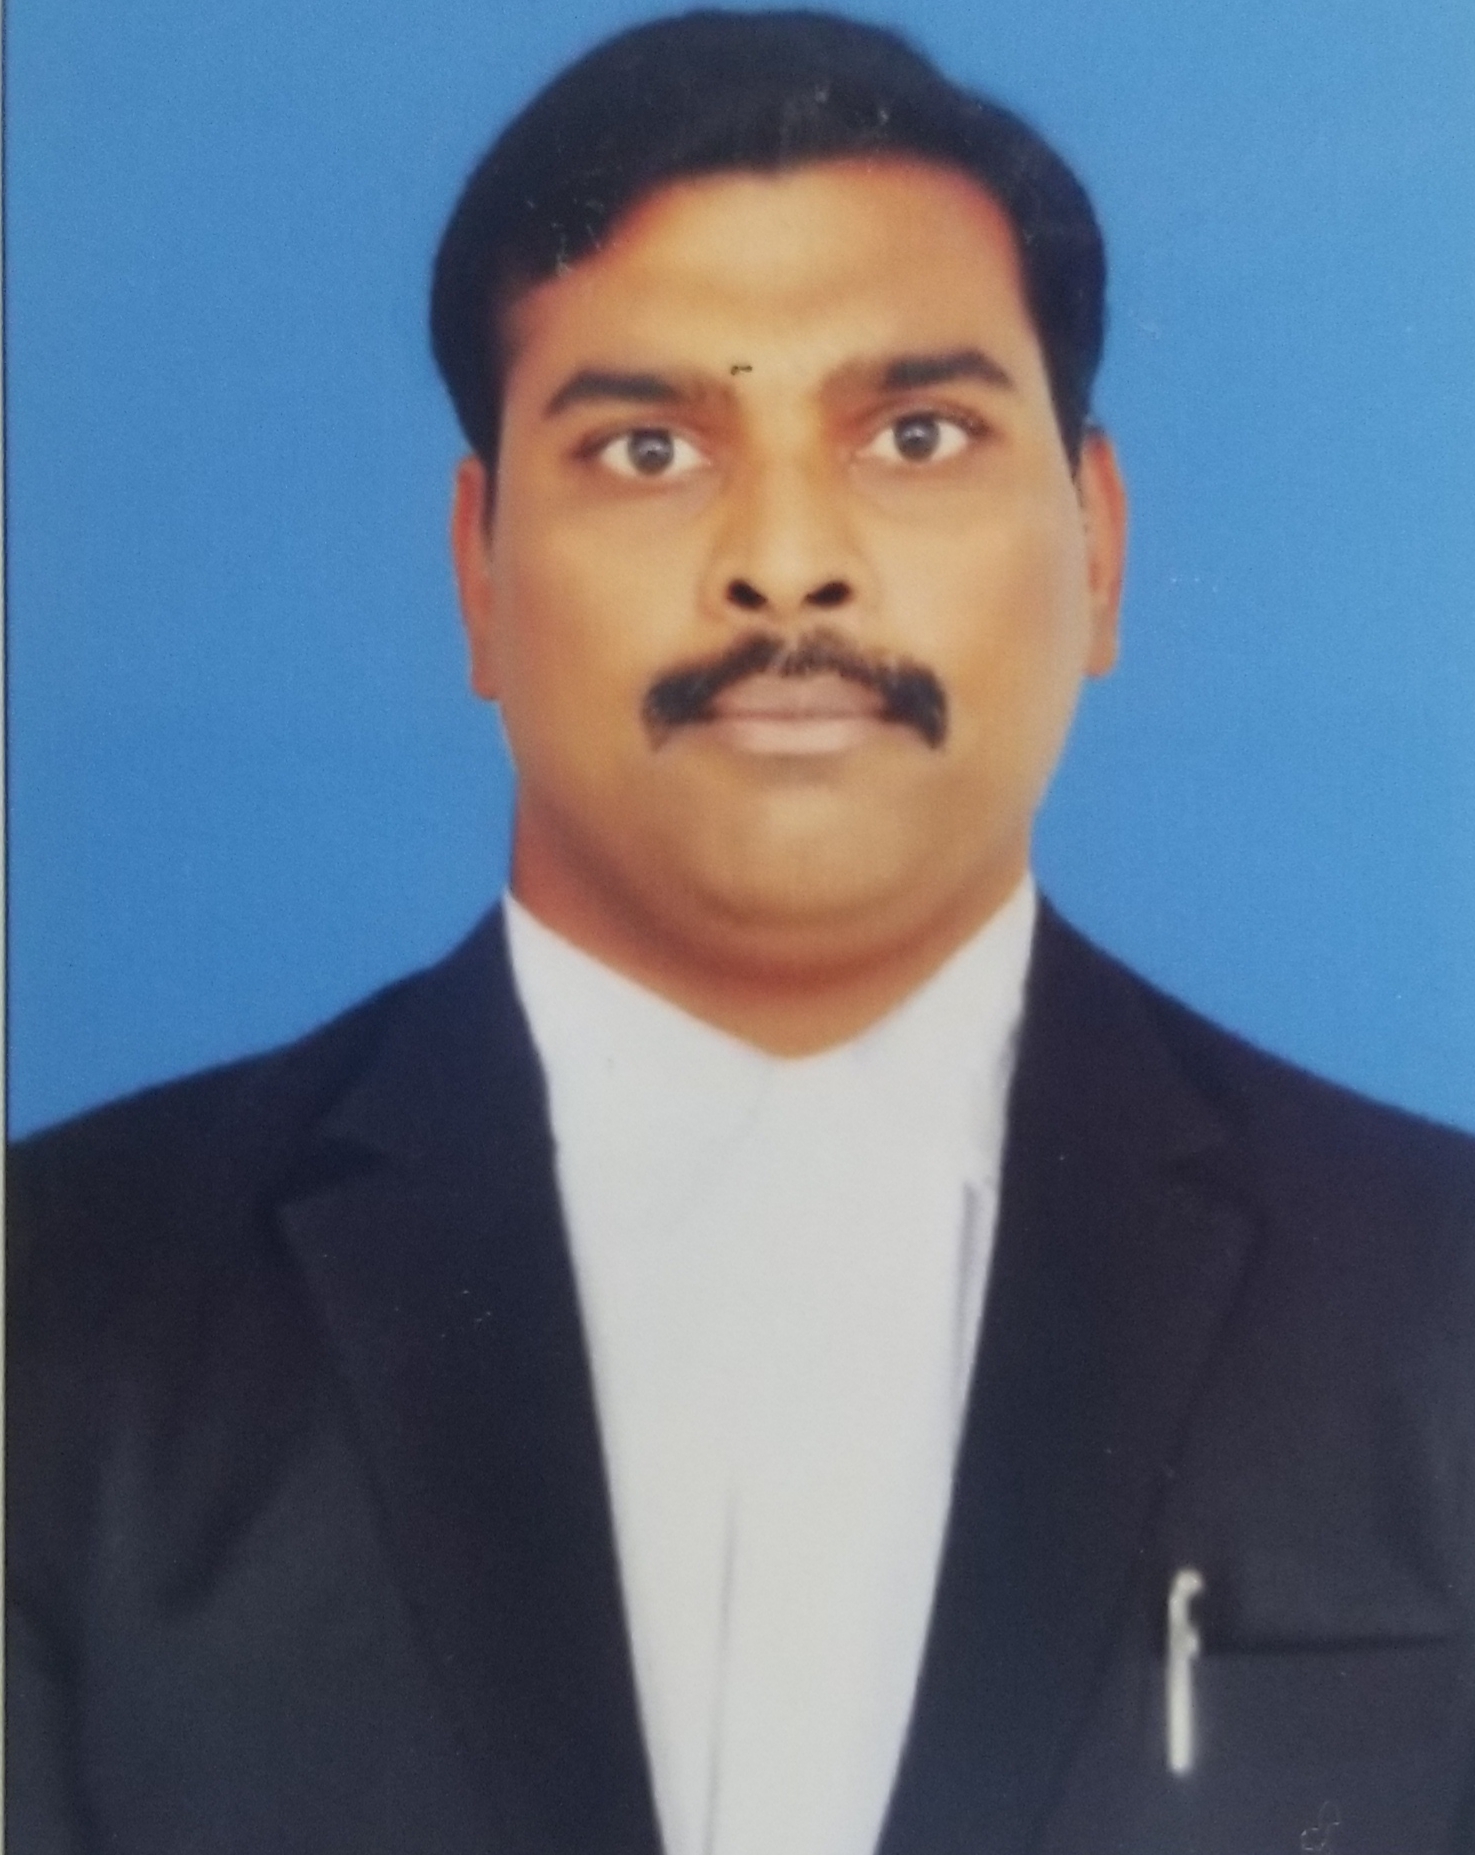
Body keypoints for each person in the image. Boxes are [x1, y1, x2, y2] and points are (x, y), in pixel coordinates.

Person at [8, 11, 1474, 1853]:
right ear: (477, 574)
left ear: (1099, 545)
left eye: (918, 434)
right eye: (648, 449)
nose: (787, 562)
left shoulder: (1440, 1302)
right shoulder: (57, 1305)